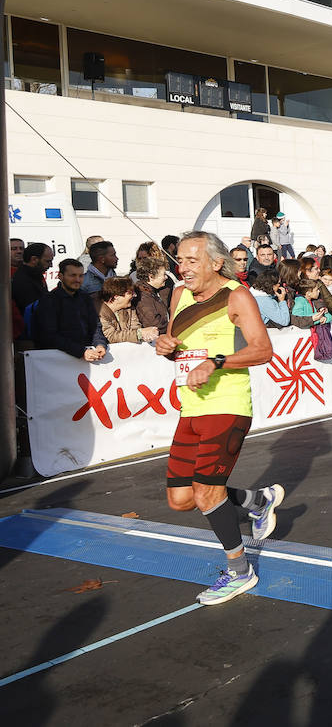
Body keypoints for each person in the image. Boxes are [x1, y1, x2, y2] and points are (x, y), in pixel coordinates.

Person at [155, 231, 282, 605]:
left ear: (215, 262)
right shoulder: (179, 295)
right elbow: (174, 346)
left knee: (206, 492)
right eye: (180, 259)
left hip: (227, 406)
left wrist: (218, 361)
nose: (184, 267)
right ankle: (257, 501)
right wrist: (164, 346)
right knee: (181, 499)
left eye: (192, 260)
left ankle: (240, 571)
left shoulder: (236, 296)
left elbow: (262, 350)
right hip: (190, 405)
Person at [32, 259, 107, 360]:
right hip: (59, 360)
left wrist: (100, 344)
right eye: (73, 275)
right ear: (60, 276)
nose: (77, 279)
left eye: (81, 276)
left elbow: (95, 326)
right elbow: (49, 336)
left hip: (88, 354)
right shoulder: (49, 301)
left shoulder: (85, 298)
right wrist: (81, 351)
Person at [98, 276, 158, 344]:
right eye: (130, 293)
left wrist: (146, 334)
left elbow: (135, 327)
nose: (134, 295)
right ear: (116, 297)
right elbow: (111, 336)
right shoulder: (99, 312)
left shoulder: (129, 309)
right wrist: (139, 333)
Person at [11, 242, 53, 314]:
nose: (51, 265)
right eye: (47, 261)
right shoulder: (23, 281)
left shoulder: (36, 274)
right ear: (34, 259)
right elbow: (36, 312)